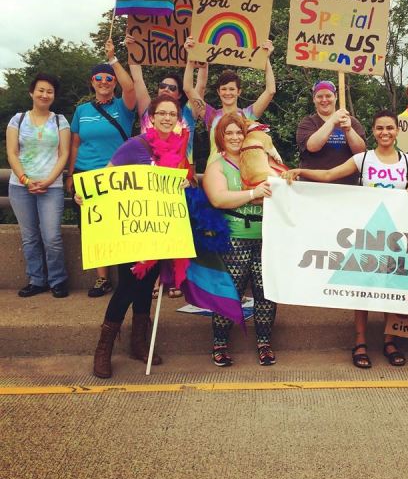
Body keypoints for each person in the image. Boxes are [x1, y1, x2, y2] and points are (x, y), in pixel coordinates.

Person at [284, 110, 408, 369]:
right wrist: (299, 171)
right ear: (372, 131)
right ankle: (360, 342)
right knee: (363, 288)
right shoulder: (363, 158)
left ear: (397, 131)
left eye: (390, 128)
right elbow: (328, 175)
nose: (385, 133)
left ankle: (389, 341)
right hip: (366, 233)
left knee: (390, 288)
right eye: (380, 128)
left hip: (394, 235)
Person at [90, 95, 190, 378]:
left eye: (173, 114)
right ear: (152, 117)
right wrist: (85, 197)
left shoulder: (178, 150)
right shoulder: (134, 146)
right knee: (127, 287)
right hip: (131, 229)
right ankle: (104, 349)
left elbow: (178, 187)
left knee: (146, 288)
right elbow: (107, 179)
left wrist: (183, 183)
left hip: (157, 232)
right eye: (163, 113)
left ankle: (139, 344)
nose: (168, 118)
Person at [202, 113, 276, 367]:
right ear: (220, 138)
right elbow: (219, 199)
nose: (235, 137)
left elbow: (279, 188)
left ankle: (264, 344)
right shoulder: (217, 166)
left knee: (266, 293)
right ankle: (219, 344)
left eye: (238, 132)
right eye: (228, 133)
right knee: (230, 292)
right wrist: (254, 193)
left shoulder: (262, 159)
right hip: (236, 236)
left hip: (266, 234)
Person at [66, 39, 136, 297]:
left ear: (114, 82)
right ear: (92, 82)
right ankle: (102, 279)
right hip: (86, 176)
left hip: (117, 175)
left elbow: (131, 87)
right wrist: (71, 175)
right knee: (93, 228)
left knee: (119, 225)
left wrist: (114, 59)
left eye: (109, 78)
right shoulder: (81, 110)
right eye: (99, 78)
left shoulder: (123, 107)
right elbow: (75, 144)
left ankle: (127, 277)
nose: (104, 81)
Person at [6, 73, 71, 298]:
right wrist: (25, 179)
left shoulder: (60, 120)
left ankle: (58, 279)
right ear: (32, 92)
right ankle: (36, 279)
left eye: (49, 91)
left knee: (51, 235)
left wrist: (50, 179)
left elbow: (64, 154)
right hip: (19, 186)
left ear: (54, 96)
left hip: (51, 186)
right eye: (41, 90)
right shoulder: (18, 119)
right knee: (30, 236)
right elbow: (12, 153)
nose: (45, 94)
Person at [182, 37, 276, 160]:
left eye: (231, 89)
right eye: (224, 89)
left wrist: (266, 58)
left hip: (240, 172)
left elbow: (270, 91)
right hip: (215, 173)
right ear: (218, 92)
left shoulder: (247, 115)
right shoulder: (210, 115)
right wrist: (191, 57)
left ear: (239, 92)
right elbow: (188, 88)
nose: (228, 93)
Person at [125, 33, 206, 175]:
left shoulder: (188, 112)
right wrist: (132, 48)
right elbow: (138, 79)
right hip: (149, 175)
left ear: (179, 94)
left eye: (172, 88)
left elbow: (201, 85)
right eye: (163, 85)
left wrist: (201, 55)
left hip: (182, 177)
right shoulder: (147, 110)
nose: (166, 89)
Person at [296, 80, 366, 185]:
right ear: (314, 99)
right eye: (319, 96)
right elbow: (312, 146)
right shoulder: (308, 122)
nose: (324, 100)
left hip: (347, 188)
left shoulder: (352, 122)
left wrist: (349, 130)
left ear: (336, 96)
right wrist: (332, 121)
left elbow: (360, 153)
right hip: (313, 187)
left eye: (328, 95)